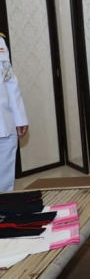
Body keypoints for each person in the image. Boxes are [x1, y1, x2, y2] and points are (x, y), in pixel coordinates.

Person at [0, 34, 28, 192]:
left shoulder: (0, 41)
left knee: (5, 184)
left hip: (5, 123)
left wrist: (19, 117)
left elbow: (9, 80)